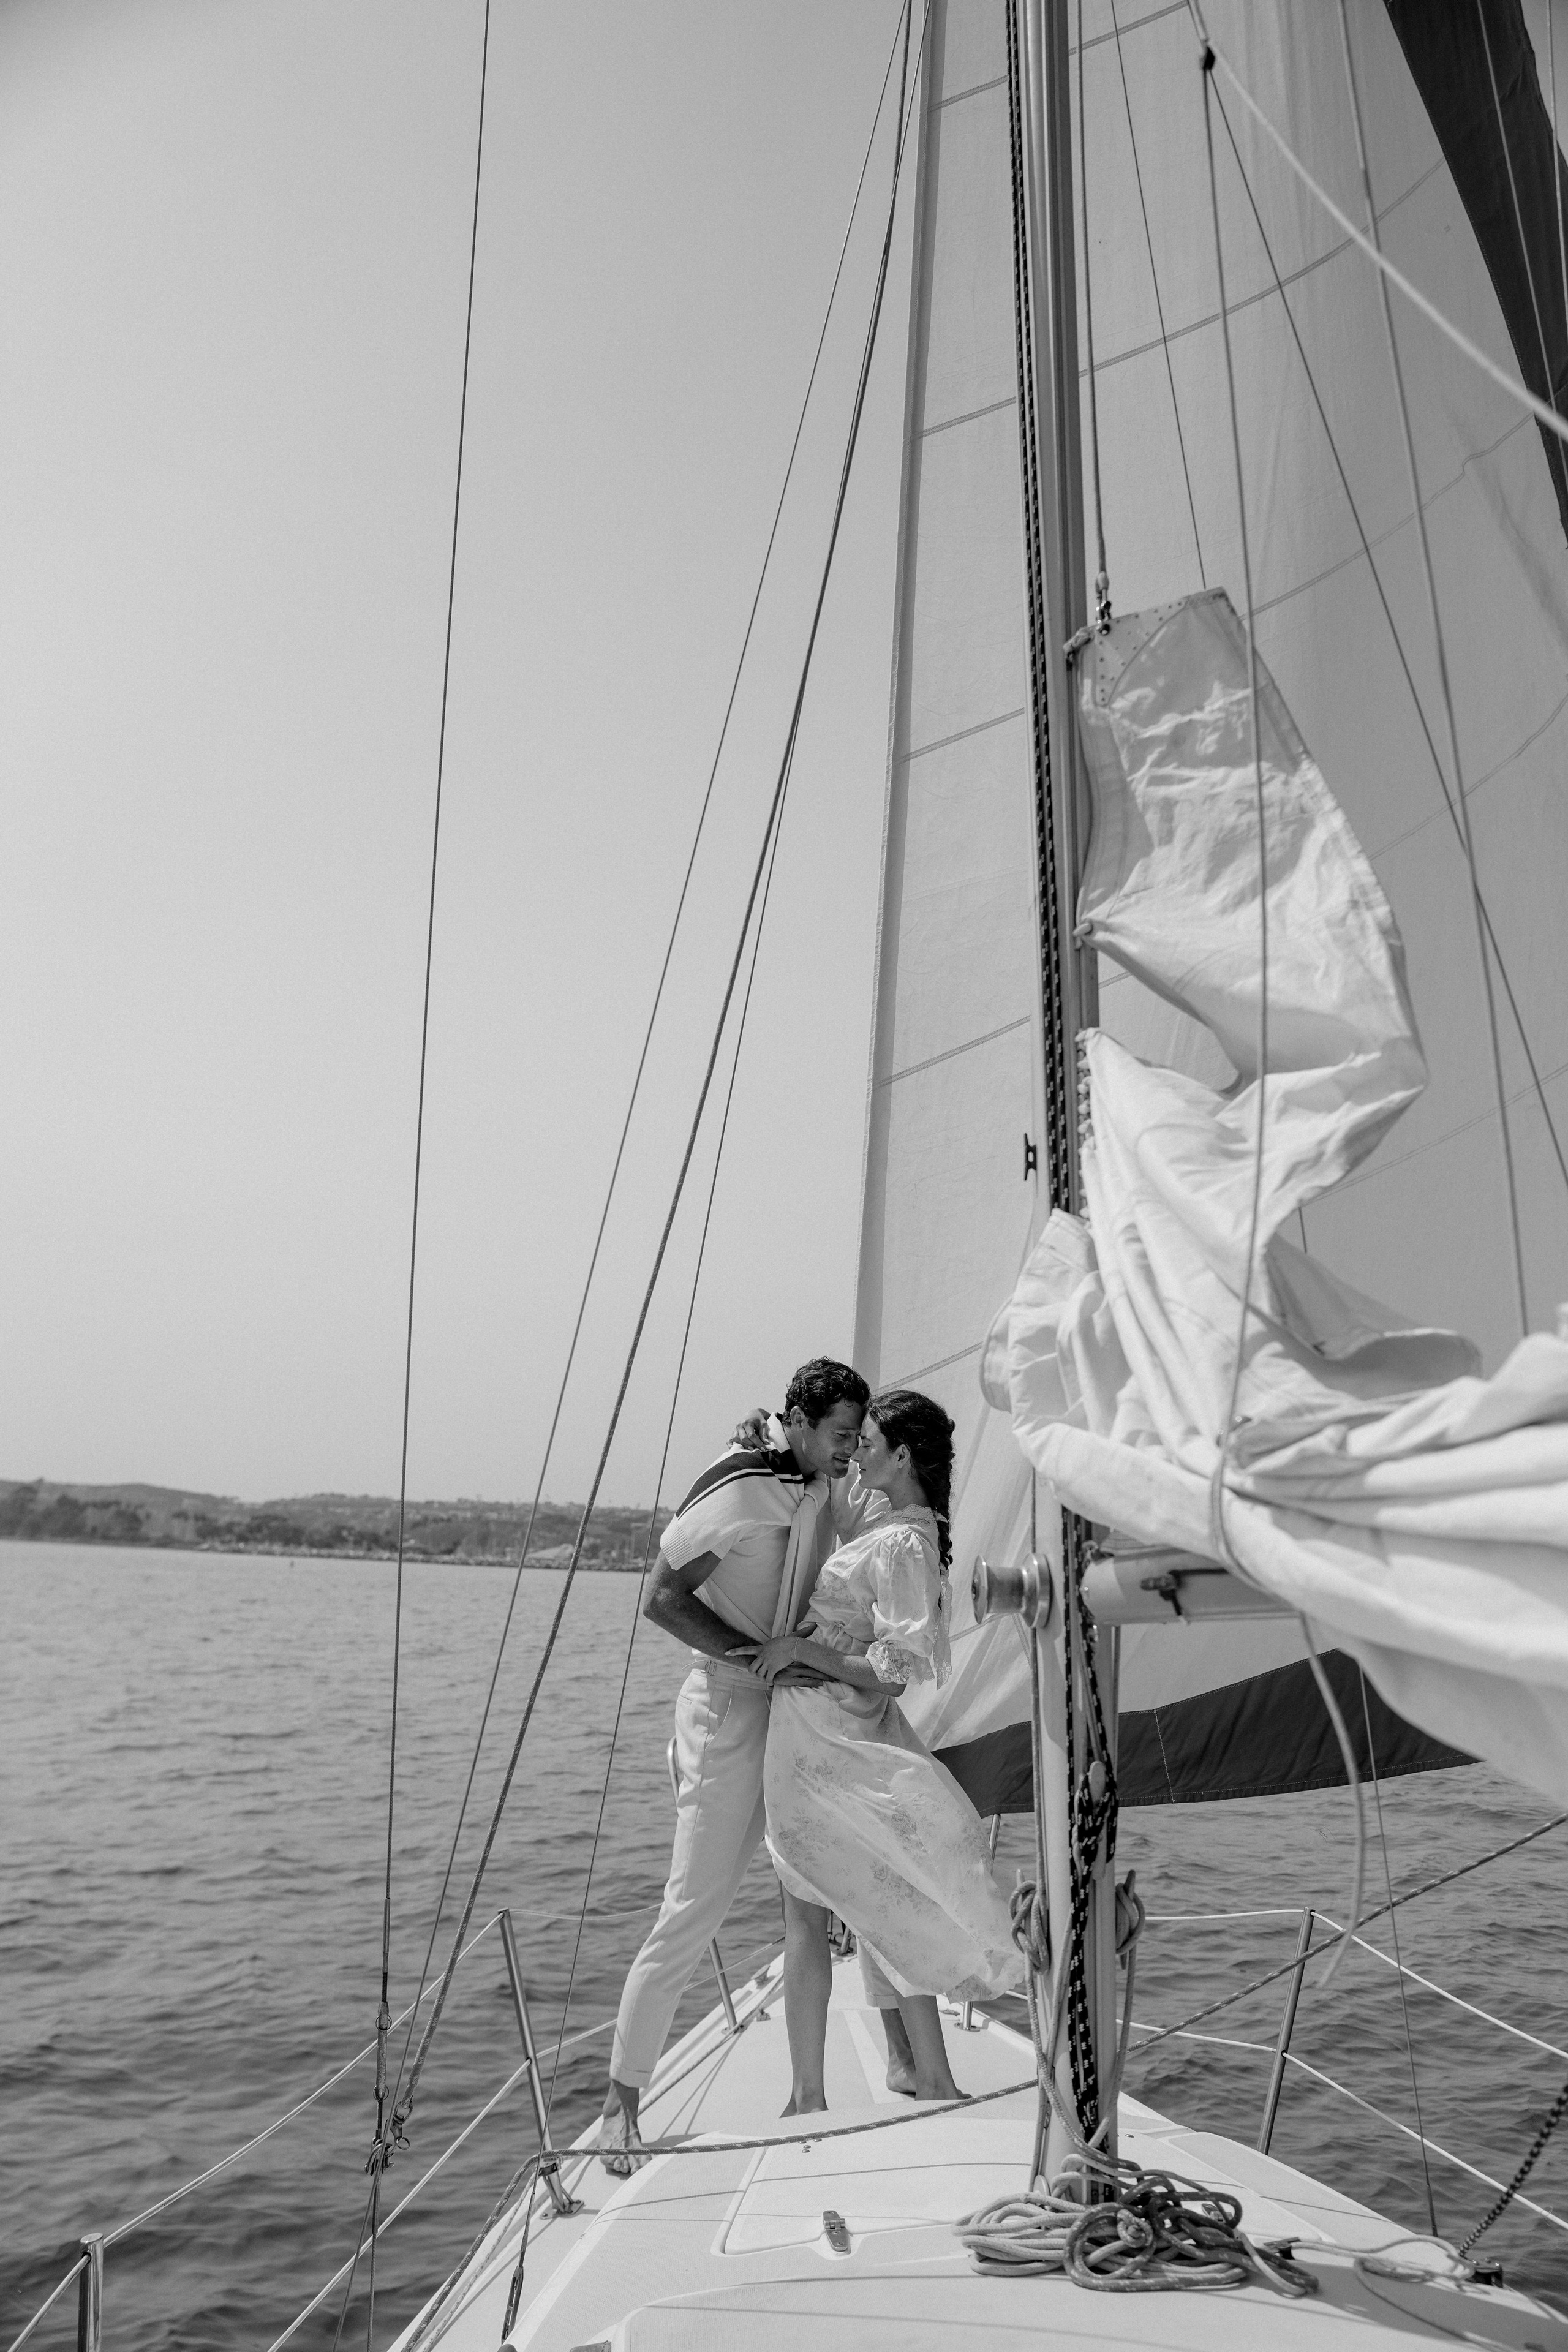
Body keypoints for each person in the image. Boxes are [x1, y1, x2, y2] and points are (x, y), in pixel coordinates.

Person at [595, 1355, 870, 2173]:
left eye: (857, 1436)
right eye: (840, 1434)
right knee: (693, 1911)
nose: (850, 1449)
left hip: (789, 1709)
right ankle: (620, 2105)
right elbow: (661, 1598)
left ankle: (808, 2095)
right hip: (725, 1711)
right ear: (801, 1422)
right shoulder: (745, 1487)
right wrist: (757, 1660)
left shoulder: (817, 1481)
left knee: (813, 1890)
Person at [742, 1390, 1023, 2114]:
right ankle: (900, 2072)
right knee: (869, 1903)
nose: (855, 1451)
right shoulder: (888, 1523)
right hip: (818, 1727)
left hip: (826, 1736)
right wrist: (764, 1439)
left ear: (901, 1456)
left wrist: (801, 1647)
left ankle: (861, 2088)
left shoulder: (902, 1542)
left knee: (852, 1907)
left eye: (865, 1441)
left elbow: (897, 1669)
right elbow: (823, 1490)